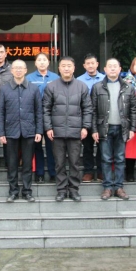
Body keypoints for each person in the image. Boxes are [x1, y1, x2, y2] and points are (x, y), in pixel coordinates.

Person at [44, 56, 92, 202]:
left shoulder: (81, 86)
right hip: (57, 132)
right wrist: (48, 127)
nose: (66, 68)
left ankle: (73, 189)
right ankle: (61, 190)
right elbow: (45, 109)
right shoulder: (51, 86)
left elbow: (87, 109)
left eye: (69, 66)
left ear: (74, 68)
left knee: (74, 162)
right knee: (59, 163)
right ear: (59, 68)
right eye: (63, 66)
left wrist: (85, 127)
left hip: (76, 131)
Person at [91, 58, 136, 200]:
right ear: (104, 69)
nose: (112, 69)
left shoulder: (128, 87)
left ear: (120, 69)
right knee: (105, 159)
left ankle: (119, 187)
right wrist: (94, 130)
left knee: (120, 159)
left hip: (122, 128)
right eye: (109, 66)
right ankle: (107, 187)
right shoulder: (97, 87)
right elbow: (93, 110)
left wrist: (132, 128)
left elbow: (133, 110)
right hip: (104, 127)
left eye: (115, 66)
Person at [0, 59, 43, 202]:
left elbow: (38, 111)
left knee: (27, 164)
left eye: (21, 68)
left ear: (25, 70)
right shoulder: (5, 89)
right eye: (15, 68)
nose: (18, 70)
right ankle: (13, 191)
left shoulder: (33, 88)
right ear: (11, 71)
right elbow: (0, 112)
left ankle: (27, 191)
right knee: (12, 164)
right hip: (10, 131)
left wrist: (39, 131)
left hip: (29, 131)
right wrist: (1, 133)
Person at [26, 52, 59, 183]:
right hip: (35, 116)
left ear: (48, 62)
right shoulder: (29, 78)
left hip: (52, 116)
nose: (42, 62)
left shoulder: (55, 77)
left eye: (44, 60)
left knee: (52, 147)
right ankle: (39, 173)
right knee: (37, 146)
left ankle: (53, 172)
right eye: (39, 60)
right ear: (35, 63)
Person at [77, 53, 104, 183]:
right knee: (87, 146)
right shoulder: (79, 80)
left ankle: (100, 171)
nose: (90, 65)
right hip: (85, 117)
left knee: (102, 146)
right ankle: (88, 171)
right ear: (84, 65)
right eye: (88, 63)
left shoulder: (104, 79)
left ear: (97, 64)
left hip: (101, 117)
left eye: (93, 63)